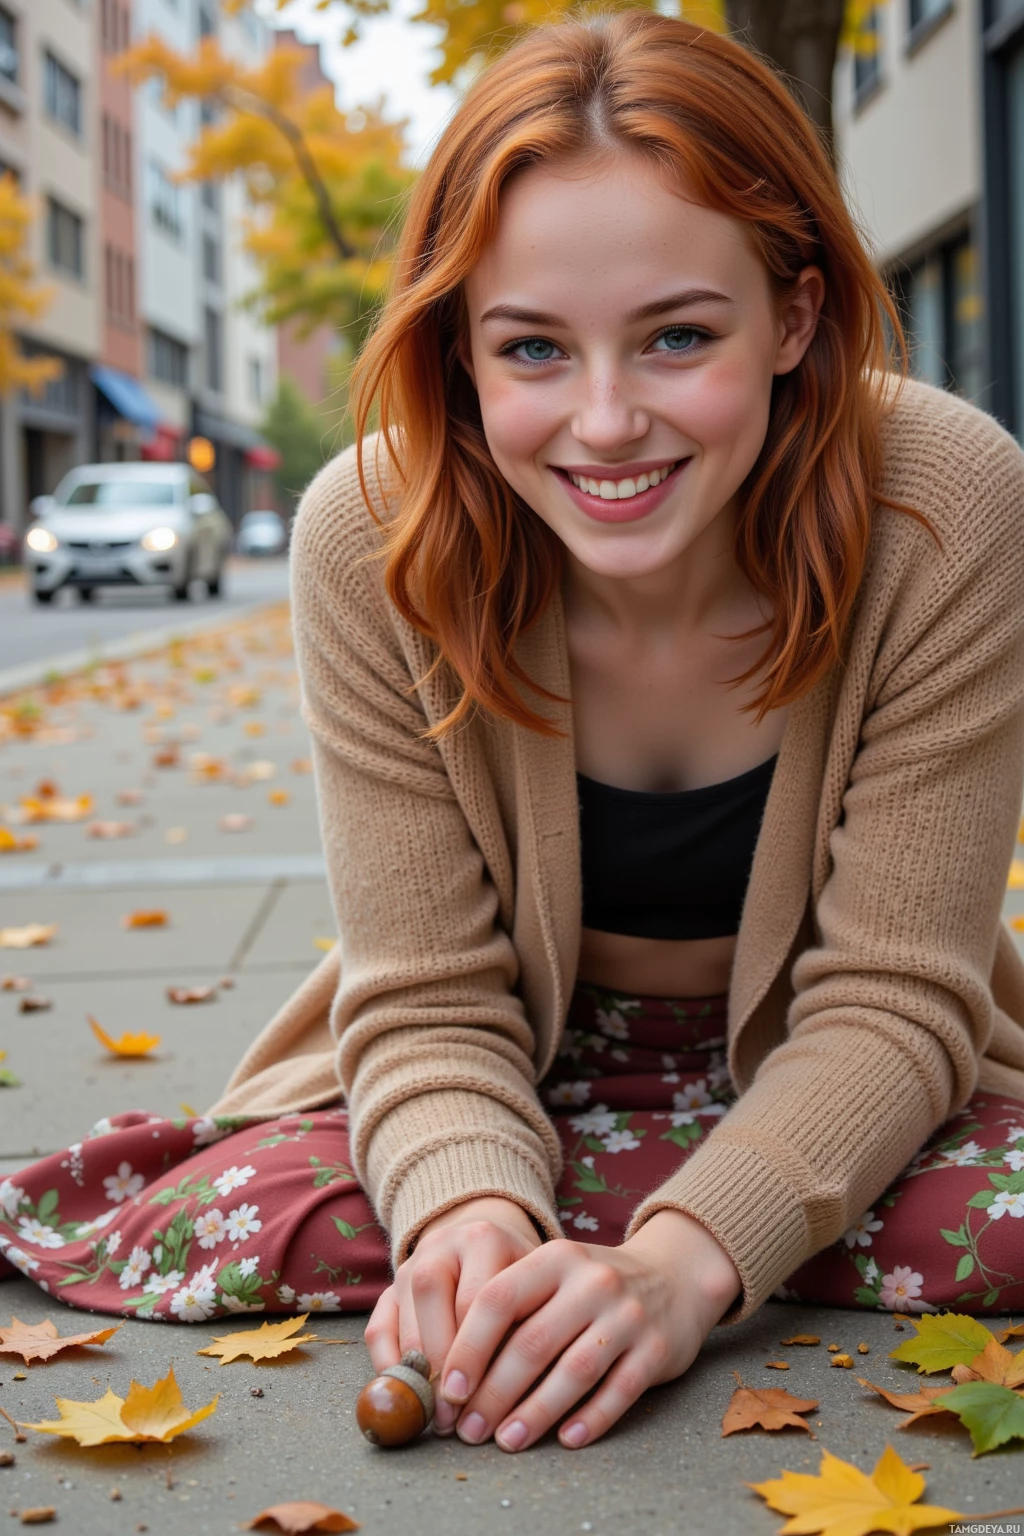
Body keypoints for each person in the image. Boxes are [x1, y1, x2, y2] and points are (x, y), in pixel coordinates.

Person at [4, 10, 1024, 1459]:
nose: (605, 422)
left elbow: (895, 1003)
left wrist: (679, 1273)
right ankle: (584, 1225)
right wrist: (472, 1217)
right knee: (241, 1218)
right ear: (461, 354)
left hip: (848, 1070)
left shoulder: (947, 504)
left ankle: (700, 1215)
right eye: (533, 348)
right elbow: (422, 997)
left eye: (679, 336)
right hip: (514, 1065)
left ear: (794, 316)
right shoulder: (371, 537)